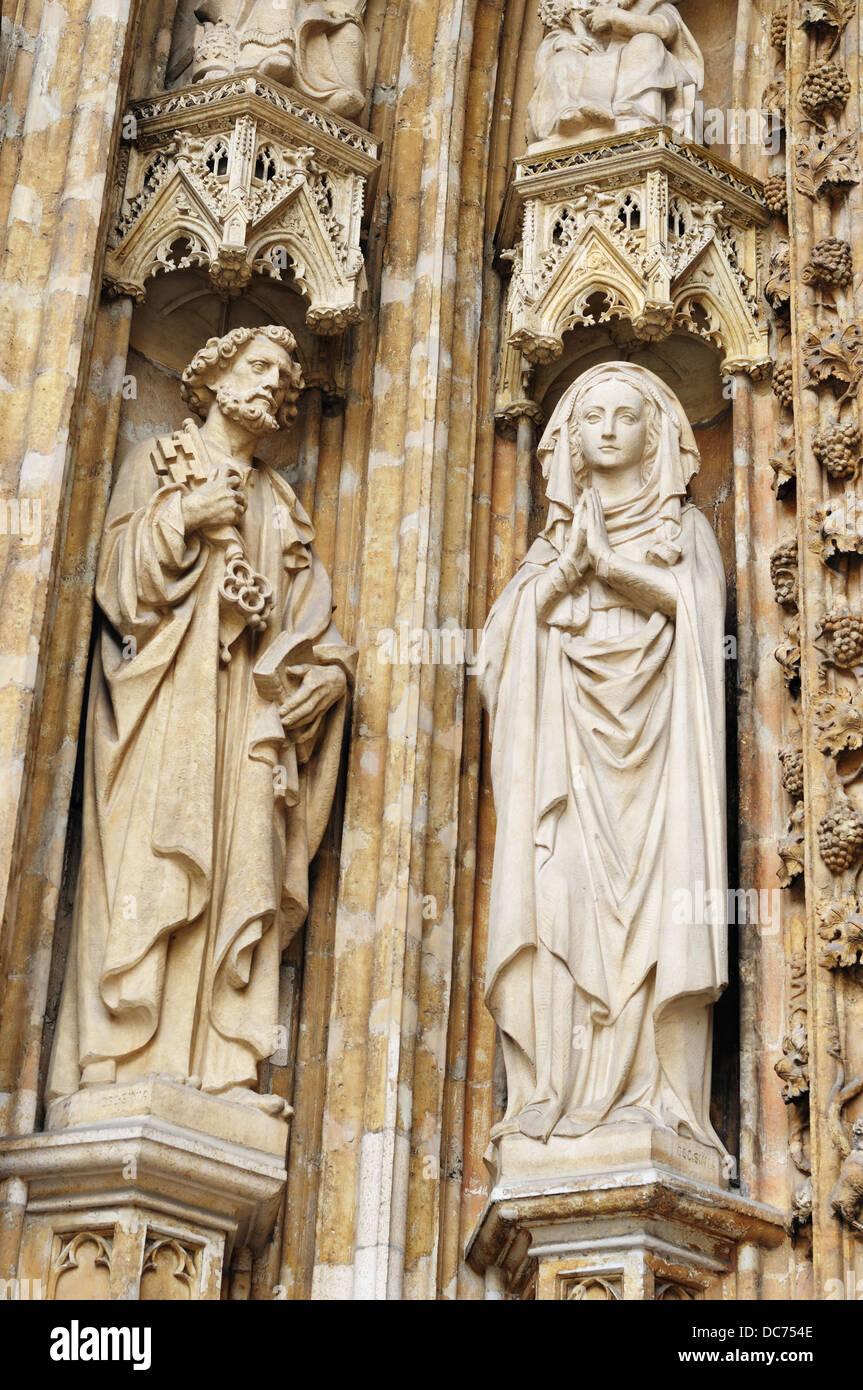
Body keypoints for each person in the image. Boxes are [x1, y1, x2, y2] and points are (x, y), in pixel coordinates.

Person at [47, 326, 356, 1116]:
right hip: (169, 714)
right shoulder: (157, 465)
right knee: (158, 865)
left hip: (248, 726)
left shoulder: (281, 509)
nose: (271, 385)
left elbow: (312, 627)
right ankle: (124, 1059)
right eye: (255, 367)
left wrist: (325, 680)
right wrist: (183, 516)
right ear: (213, 378)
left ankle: (219, 1070)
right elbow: (117, 589)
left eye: (284, 377)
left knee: (241, 874)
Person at [477, 362, 727, 1155]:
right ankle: (565, 1088)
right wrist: (562, 574)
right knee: (565, 900)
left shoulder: (682, 531)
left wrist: (607, 568)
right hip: (571, 763)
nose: (610, 428)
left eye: (626, 415)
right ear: (572, 441)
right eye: (593, 417)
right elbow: (496, 656)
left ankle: (652, 1098)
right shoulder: (548, 549)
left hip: (657, 772)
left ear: (654, 433)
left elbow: (700, 622)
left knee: (656, 916)